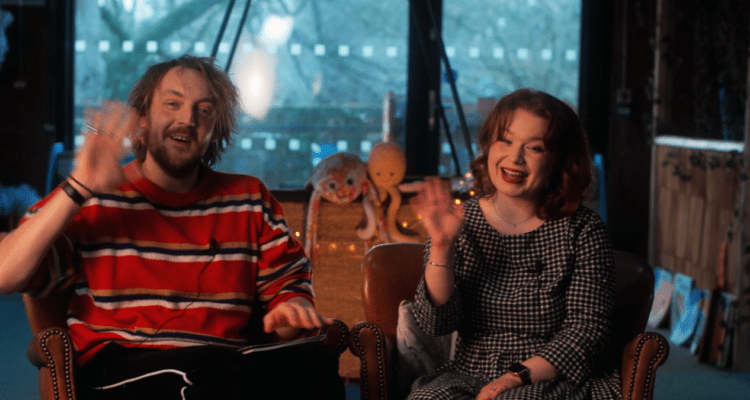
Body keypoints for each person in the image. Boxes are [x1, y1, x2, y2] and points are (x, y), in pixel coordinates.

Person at [0, 55, 343, 400]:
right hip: (116, 369)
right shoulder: (93, 198)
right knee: (211, 367)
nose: (187, 120)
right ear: (144, 119)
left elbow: (288, 290)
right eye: (172, 104)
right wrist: (79, 185)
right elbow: (5, 273)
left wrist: (290, 309)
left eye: (204, 110)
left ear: (215, 130)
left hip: (226, 365)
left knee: (315, 360)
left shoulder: (250, 197)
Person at [408, 88, 620, 400]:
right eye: (504, 140)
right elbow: (436, 323)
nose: (514, 158)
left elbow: (586, 331)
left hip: (550, 375)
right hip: (470, 371)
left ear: (559, 160)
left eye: (534, 148)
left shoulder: (583, 230)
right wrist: (441, 246)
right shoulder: (459, 221)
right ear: (488, 145)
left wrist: (513, 379)